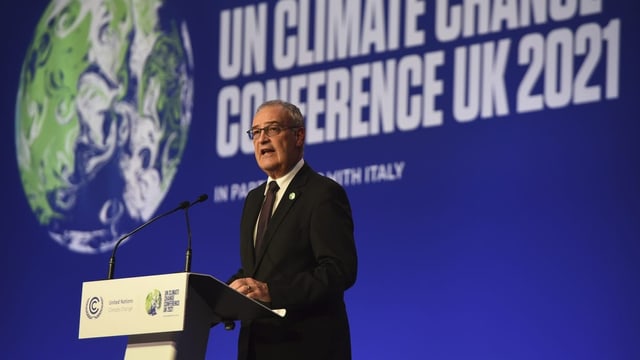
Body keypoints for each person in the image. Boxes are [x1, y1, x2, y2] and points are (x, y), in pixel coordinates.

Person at [228, 100, 358, 360]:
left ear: (298, 136)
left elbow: (338, 270)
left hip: (307, 346)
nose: (262, 139)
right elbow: (256, 271)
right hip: (257, 348)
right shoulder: (254, 199)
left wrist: (273, 292)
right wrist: (221, 297)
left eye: (272, 129)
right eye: (256, 132)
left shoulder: (322, 193)